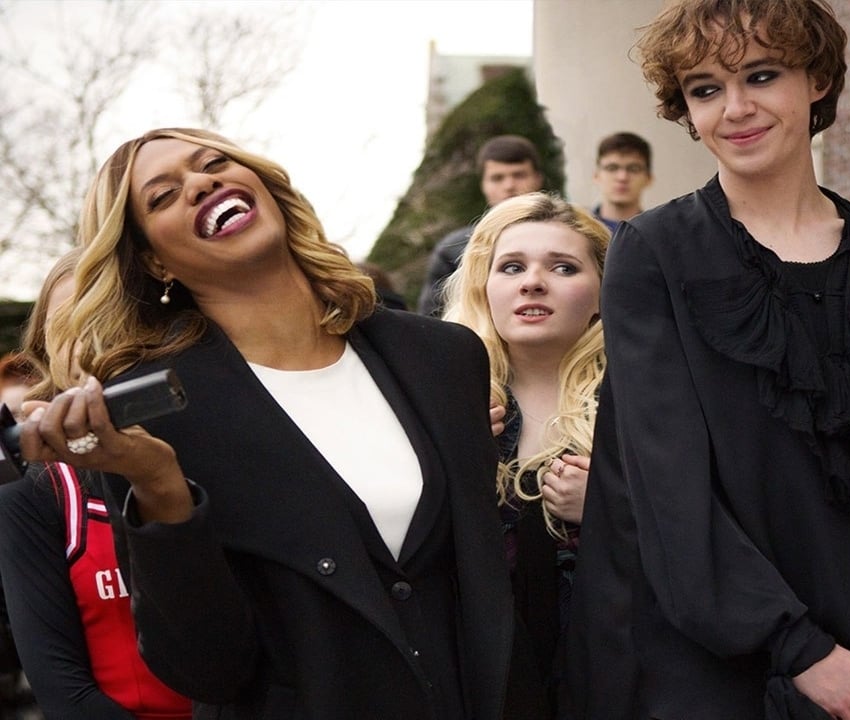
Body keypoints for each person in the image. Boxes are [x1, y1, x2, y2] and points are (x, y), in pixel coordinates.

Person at [565, 2, 850, 719]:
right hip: (718, 665)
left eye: (761, 75)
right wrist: (799, 649)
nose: (735, 108)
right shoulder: (654, 254)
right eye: (706, 89)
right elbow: (666, 484)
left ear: (818, 80)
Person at [15, 128, 512, 719]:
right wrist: (159, 485)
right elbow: (207, 669)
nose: (201, 183)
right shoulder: (152, 417)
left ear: (265, 186)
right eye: (164, 195)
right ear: (153, 261)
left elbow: (495, 595)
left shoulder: (444, 356)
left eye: (213, 163)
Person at [0, 247, 192, 719]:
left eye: (111, 317)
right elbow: (62, 692)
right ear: (45, 354)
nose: (92, 342)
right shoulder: (36, 489)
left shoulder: (225, 443)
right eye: (69, 328)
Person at [443, 192, 608, 719]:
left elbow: (706, 540)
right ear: (483, 286)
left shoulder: (643, 405)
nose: (533, 282)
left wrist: (610, 504)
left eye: (563, 267)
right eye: (512, 266)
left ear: (603, 291)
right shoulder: (444, 405)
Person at [417, 135, 546, 316]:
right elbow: (432, 319)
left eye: (519, 175)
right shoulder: (454, 249)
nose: (509, 185)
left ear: (538, 179)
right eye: (497, 178)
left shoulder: (570, 236)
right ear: (483, 185)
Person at [590, 132, 652, 234]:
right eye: (612, 168)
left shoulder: (657, 235)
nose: (622, 177)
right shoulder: (578, 232)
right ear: (596, 176)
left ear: (648, 178)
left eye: (633, 169)